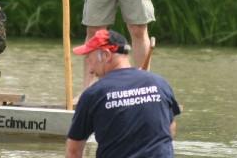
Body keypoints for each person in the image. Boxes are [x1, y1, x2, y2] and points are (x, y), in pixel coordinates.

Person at [66, 29, 180, 158]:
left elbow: (73, 151)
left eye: (89, 58)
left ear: (106, 55)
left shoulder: (93, 94)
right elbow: (170, 129)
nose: (90, 69)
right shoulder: (160, 83)